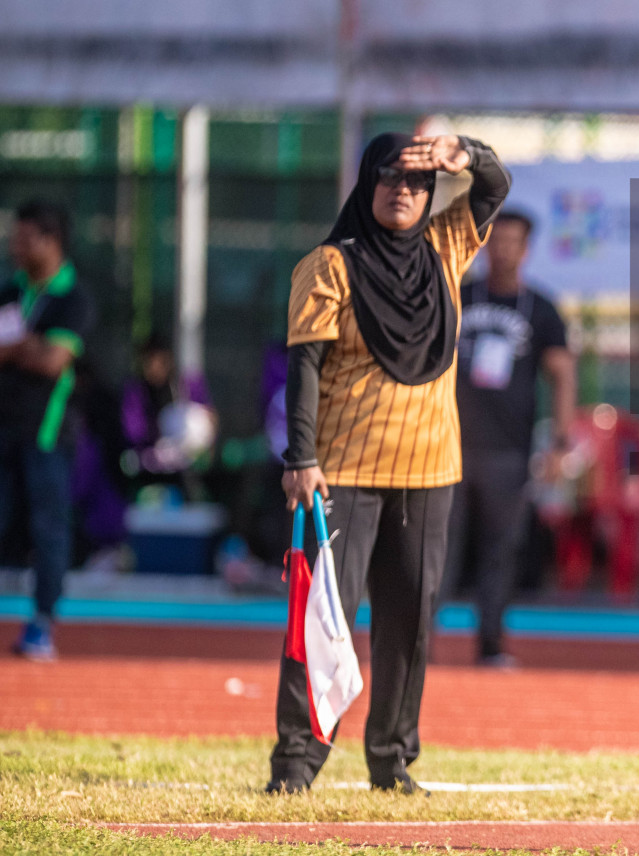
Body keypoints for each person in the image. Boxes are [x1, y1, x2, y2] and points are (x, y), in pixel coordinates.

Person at [268, 132, 509, 794]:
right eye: (389, 178)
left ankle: (392, 759)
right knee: (324, 622)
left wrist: (467, 152)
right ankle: (296, 763)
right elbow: (304, 367)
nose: (402, 190)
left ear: (431, 192)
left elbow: (494, 186)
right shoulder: (328, 265)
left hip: (431, 469)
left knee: (410, 623)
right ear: (366, 184)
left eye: (414, 182)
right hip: (340, 471)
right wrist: (301, 458)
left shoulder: (447, 246)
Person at [446, 209, 575, 668]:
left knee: (500, 551)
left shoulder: (541, 308)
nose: (501, 249)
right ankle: (417, 642)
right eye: (495, 241)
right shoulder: (458, 299)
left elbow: (562, 374)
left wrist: (560, 443)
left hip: (509, 453)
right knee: (438, 549)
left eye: (512, 242)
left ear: (525, 249)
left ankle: (491, 645)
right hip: (448, 448)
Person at [0, 200, 94, 661]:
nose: (15, 246)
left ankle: (42, 624)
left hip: (48, 433)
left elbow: (54, 361)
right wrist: (27, 348)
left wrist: (15, 348)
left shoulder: (73, 298)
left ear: (50, 241)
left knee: (48, 527)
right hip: (4, 429)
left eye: (24, 238)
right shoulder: (9, 292)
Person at [120, 332, 217, 491]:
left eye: (159, 361)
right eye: (148, 362)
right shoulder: (136, 391)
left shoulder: (187, 384)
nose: (153, 367)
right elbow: (133, 432)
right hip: (149, 471)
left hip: (186, 469)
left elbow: (209, 419)